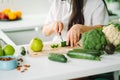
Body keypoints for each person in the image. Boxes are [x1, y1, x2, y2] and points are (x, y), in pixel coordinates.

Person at [42, 0, 109, 47]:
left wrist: (81, 28)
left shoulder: (97, 3)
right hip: (59, 47)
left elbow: (102, 29)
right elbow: (45, 32)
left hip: (85, 49)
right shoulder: (57, 2)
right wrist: (53, 26)